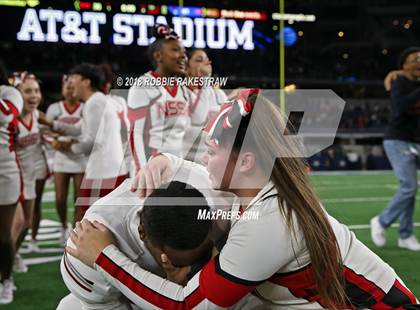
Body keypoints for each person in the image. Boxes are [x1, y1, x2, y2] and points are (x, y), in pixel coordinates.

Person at [68, 90, 419, 309]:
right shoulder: (257, 187)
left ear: (246, 162)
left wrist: (104, 256)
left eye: (211, 150)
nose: (204, 158)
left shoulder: (271, 221)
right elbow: (197, 170)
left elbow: (185, 306)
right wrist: (167, 162)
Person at [57, 178, 222, 310]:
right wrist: (170, 286)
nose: (188, 271)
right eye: (177, 263)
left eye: (202, 254)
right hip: (104, 292)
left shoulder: (208, 199)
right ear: (142, 233)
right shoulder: (86, 251)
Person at [40, 63, 128, 221]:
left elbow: (93, 142)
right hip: (111, 169)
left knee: (87, 220)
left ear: (86, 82)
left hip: (103, 172)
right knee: (102, 220)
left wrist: (67, 146)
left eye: (74, 78)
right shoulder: (98, 100)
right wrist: (52, 124)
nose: (71, 83)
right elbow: (78, 128)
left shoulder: (94, 103)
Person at [371, 47, 420, 251]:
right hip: (397, 139)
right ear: (404, 65)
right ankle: (381, 221)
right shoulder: (399, 82)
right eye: (415, 59)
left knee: (410, 188)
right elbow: (400, 107)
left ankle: (405, 235)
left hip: (414, 140)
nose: (419, 61)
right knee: (409, 185)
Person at [127, 24, 192, 172]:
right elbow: (134, 134)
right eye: (175, 50)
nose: (183, 56)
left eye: (184, 52)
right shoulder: (144, 85)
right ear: (158, 56)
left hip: (176, 167)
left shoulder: (182, 89)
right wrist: (142, 171)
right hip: (151, 169)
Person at [11, 71, 46, 272]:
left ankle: (13, 255)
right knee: (12, 227)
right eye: (28, 91)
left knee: (25, 224)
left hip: (29, 178)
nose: (34, 96)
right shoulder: (10, 119)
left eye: (36, 91)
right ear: (16, 94)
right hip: (11, 179)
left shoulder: (37, 115)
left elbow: (49, 134)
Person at [45, 75, 86, 242]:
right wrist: (53, 142)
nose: (70, 90)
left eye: (73, 87)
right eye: (67, 87)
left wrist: (73, 142)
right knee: (60, 198)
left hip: (79, 158)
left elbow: (89, 132)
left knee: (79, 199)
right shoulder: (54, 108)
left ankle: (75, 231)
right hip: (61, 158)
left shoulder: (85, 107)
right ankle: (63, 226)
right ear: (62, 89)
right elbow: (43, 131)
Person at [0, 63, 23, 305]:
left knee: (4, 236)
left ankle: (5, 280)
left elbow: (4, 115)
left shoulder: (10, 92)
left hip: (5, 171)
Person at [183, 48, 227, 161]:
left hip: (210, 165)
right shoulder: (180, 94)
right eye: (199, 60)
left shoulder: (218, 95)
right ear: (186, 68)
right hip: (184, 163)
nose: (208, 62)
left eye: (207, 59)